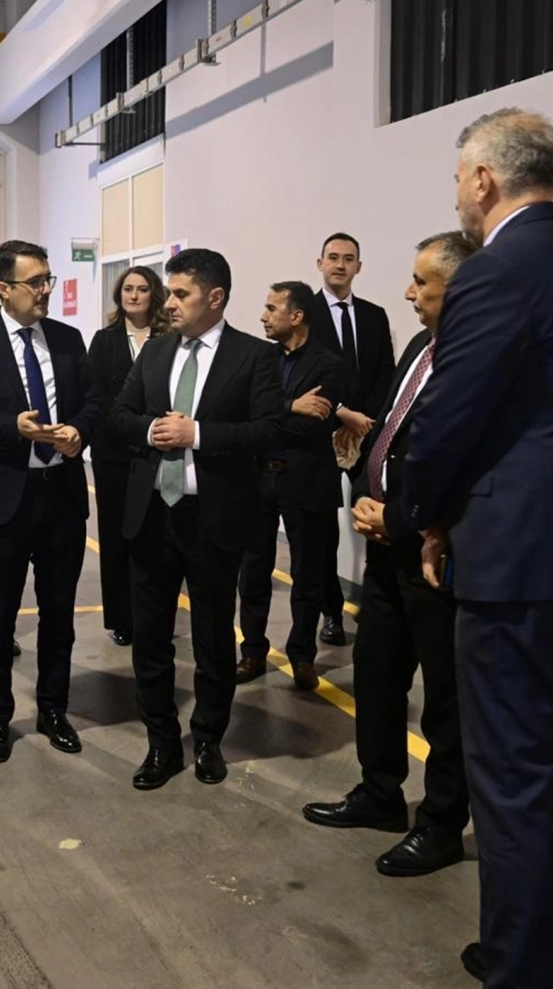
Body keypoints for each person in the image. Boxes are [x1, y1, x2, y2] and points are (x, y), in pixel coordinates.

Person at [400, 108, 553, 987]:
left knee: (511, 786)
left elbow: (448, 417)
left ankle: (524, 968)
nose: (458, 195)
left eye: (459, 178)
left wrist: (416, 514)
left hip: (516, 567)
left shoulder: (497, 273)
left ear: (484, 180)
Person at [302, 231, 477, 880]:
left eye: (421, 283)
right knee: (376, 677)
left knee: (444, 702)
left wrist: (400, 518)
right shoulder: (420, 349)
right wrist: (365, 466)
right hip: (385, 550)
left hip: (432, 553)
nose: (408, 292)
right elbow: (398, 434)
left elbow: (462, 463)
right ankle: (379, 794)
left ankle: (440, 824)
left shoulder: (473, 362)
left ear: (457, 290)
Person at [112, 248, 282, 790]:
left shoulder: (254, 356)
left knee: (212, 637)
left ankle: (208, 738)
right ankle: (161, 743)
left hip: (214, 519)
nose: (169, 302)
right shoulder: (156, 351)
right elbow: (119, 414)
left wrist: (199, 435)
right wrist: (150, 430)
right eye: (169, 291)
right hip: (151, 516)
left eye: (181, 294)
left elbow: (270, 430)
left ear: (215, 297)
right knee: (151, 638)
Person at [0, 240, 97, 765]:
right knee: (0, 617)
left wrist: (79, 431)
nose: (45, 290)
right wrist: (11, 428)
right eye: (36, 283)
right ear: (4, 289)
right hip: (4, 499)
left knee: (59, 615)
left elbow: (93, 403)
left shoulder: (68, 340)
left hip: (61, 496)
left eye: (49, 280)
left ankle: (53, 710)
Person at [236, 280, 348, 692]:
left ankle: (302, 656)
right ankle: (252, 651)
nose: (263, 316)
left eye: (271, 308)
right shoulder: (257, 357)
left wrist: (275, 415)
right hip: (259, 477)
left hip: (308, 480)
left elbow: (313, 424)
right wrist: (291, 405)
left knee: (308, 574)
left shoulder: (329, 364)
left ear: (296, 316)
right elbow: (246, 414)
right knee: (254, 572)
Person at [308, 233, 393, 647]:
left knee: (375, 518)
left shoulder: (375, 316)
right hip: (322, 432)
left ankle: (379, 602)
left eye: (349, 258)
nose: (340, 265)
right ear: (320, 263)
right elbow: (301, 374)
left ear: (359, 266)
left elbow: (386, 374)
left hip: (368, 433)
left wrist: (365, 421)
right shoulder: (304, 313)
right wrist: (341, 411)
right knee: (325, 531)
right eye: (333, 257)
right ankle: (331, 612)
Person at [87, 267, 171, 647]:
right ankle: (122, 617)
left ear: (154, 295)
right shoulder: (104, 340)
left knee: (154, 539)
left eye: (142, 289)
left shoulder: (168, 338)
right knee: (116, 537)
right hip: (113, 455)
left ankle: (152, 615)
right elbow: (96, 396)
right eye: (127, 289)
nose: (134, 295)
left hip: (158, 452)